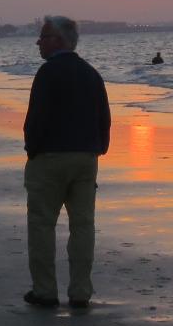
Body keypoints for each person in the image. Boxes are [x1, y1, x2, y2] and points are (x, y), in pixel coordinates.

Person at [22, 16, 111, 309]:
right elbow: (104, 118)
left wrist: (32, 149)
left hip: (50, 156)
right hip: (86, 156)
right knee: (83, 225)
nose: (39, 41)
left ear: (58, 41)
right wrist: (98, 148)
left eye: (44, 36)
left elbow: (36, 118)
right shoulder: (90, 73)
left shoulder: (48, 73)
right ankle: (80, 291)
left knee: (42, 225)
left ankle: (46, 291)